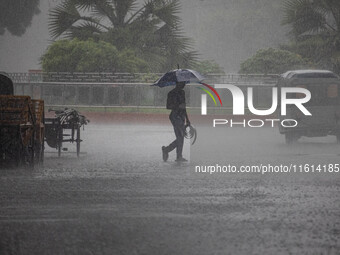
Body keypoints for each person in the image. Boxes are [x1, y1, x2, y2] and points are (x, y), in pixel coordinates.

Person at [162, 81, 190, 162]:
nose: (184, 84)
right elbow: (168, 106)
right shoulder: (171, 93)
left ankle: (177, 155)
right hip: (175, 116)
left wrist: (187, 119)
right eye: (182, 83)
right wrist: (178, 106)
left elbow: (184, 107)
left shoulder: (182, 92)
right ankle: (169, 151)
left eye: (184, 83)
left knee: (180, 137)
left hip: (181, 116)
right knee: (180, 136)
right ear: (178, 83)